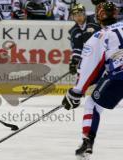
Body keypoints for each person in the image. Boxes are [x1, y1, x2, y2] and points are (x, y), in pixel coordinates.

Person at [62, 2, 121, 159]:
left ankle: (87, 143)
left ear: (97, 17)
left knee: (92, 104)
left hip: (119, 77)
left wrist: (76, 91)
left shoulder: (99, 36)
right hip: (116, 73)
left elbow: (89, 68)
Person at [68, 3, 101, 75]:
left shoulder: (94, 21)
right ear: (72, 17)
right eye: (75, 16)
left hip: (103, 52)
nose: (78, 18)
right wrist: (74, 62)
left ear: (84, 14)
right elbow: (77, 47)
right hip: (92, 55)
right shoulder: (74, 31)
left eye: (80, 15)